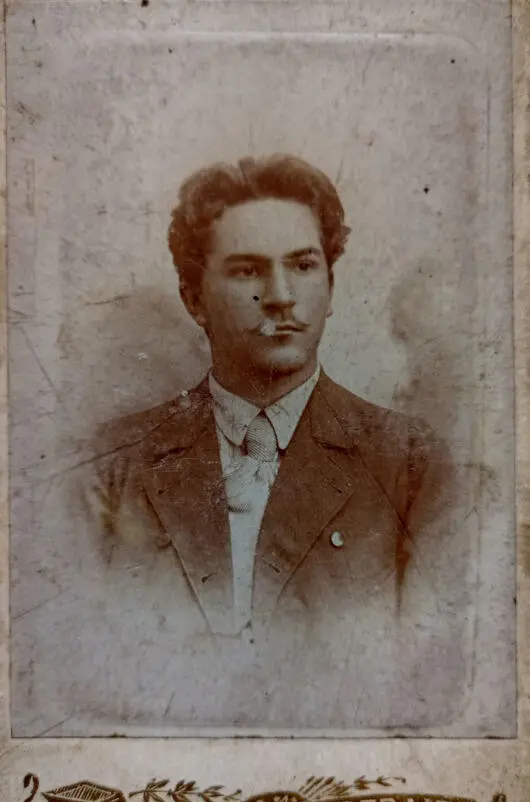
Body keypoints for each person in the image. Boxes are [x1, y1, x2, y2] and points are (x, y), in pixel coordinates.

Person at [84, 154, 458, 732]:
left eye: (304, 265)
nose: (281, 296)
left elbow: (429, 698)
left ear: (330, 287)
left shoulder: (410, 464)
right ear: (193, 299)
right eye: (246, 271)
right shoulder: (113, 465)